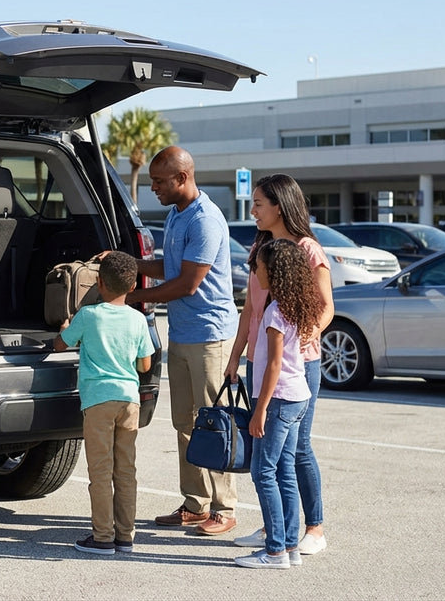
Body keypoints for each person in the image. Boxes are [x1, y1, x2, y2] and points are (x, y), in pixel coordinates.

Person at [121, 146, 240, 536]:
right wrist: (127, 265)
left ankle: (224, 508)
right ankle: (195, 503)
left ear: (182, 178)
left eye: (159, 181)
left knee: (215, 423)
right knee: (185, 424)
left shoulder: (205, 220)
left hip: (210, 336)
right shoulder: (176, 214)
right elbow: (168, 269)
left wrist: (131, 297)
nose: (153, 187)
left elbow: (188, 284)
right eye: (152, 180)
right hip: (184, 335)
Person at [224, 174, 333, 555]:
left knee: (298, 448)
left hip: (298, 363)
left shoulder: (308, 249)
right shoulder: (261, 248)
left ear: (280, 205)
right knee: (267, 450)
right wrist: (237, 353)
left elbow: (326, 309)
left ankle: (314, 529)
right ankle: (279, 526)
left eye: (258, 204)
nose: (252, 210)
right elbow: (250, 310)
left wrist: (302, 338)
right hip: (259, 360)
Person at [55, 251, 154, 555]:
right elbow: (145, 365)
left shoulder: (88, 316)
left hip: (98, 402)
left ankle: (102, 537)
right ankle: (125, 536)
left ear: (99, 282)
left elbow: (62, 344)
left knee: (100, 471)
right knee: (126, 470)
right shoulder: (137, 319)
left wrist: (64, 327)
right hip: (129, 400)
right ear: (133, 284)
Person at [233, 239, 323, 569]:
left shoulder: (273, 311)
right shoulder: (297, 305)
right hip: (298, 396)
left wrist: (259, 411)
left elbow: (272, 366)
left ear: (273, 271)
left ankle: (274, 551)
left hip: (280, 401)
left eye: (257, 267)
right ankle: (289, 547)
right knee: (284, 472)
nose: (254, 272)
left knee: (263, 472)